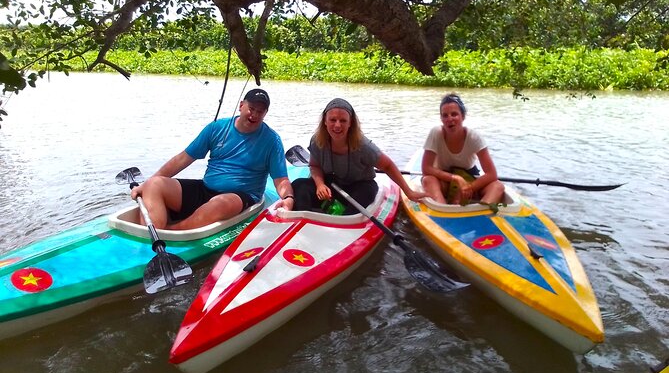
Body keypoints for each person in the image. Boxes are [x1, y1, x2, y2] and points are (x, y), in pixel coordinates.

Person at [131, 88, 294, 230]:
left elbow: (281, 180)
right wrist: (145, 185)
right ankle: (151, 233)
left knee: (219, 203)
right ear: (241, 105)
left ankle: (173, 231)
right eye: (251, 108)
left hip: (240, 196)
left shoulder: (272, 140)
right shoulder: (217, 127)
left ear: (265, 113)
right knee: (154, 184)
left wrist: (288, 198)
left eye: (260, 111)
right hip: (206, 189)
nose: (254, 115)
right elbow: (183, 159)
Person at [292, 98, 426, 215]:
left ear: (350, 123)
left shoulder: (363, 145)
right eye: (333, 120)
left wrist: (408, 191)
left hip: (360, 186)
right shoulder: (317, 141)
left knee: (363, 195)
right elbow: (314, 166)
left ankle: (344, 218)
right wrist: (320, 185)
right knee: (299, 185)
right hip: (332, 184)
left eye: (343, 121)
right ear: (325, 121)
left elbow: (387, 165)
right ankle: (305, 219)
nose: (337, 125)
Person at [421, 93, 504, 205]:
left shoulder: (474, 137)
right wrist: (455, 178)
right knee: (428, 180)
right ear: (441, 119)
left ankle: (481, 214)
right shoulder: (435, 133)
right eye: (445, 115)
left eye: (454, 114)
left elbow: (491, 174)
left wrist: (469, 187)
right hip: (444, 179)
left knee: (498, 186)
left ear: (463, 116)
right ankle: (442, 212)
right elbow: (426, 168)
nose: (449, 119)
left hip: (469, 177)